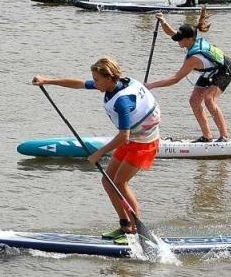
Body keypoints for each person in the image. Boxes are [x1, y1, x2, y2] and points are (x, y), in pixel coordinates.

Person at [31, 58, 160, 242]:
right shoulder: (112, 85)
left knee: (120, 183)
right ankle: (125, 226)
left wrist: (98, 154)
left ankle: (137, 232)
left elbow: (123, 136)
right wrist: (47, 81)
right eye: (94, 79)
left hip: (144, 143)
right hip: (133, 139)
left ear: (109, 77)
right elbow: (79, 84)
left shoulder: (122, 101)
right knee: (108, 181)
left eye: (97, 79)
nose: (94, 82)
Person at [146, 11, 231, 142]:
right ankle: (207, 136)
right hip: (210, 71)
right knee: (194, 101)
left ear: (189, 39)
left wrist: (151, 85)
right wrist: (163, 21)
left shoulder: (194, 58)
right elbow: (170, 32)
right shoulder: (188, 40)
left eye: (180, 39)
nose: (178, 40)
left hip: (224, 70)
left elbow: (175, 79)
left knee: (209, 99)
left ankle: (224, 136)